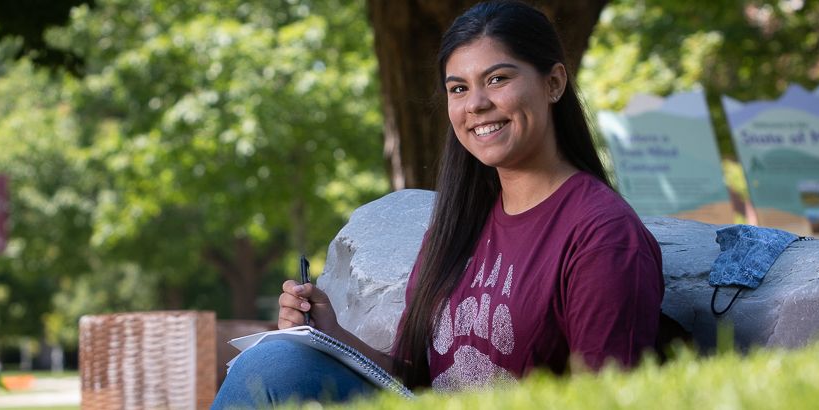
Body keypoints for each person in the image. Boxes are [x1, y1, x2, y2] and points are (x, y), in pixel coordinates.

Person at [211, 0, 664, 407]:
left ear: (554, 83)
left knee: (273, 372)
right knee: (275, 361)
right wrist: (332, 334)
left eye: (498, 79)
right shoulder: (461, 222)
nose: (477, 104)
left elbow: (612, 398)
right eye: (458, 89)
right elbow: (415, 381)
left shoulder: (602, 235)